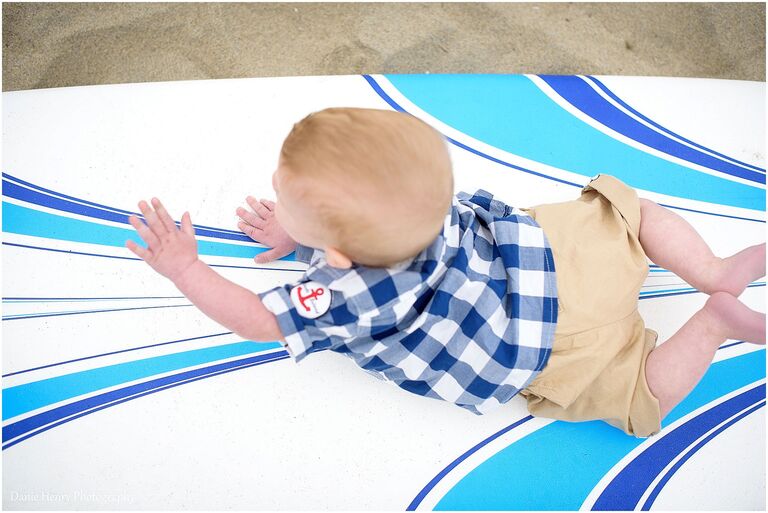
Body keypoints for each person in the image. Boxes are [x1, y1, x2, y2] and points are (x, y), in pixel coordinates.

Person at [125, 107, 765, 438]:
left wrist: (185, 267)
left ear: (336, 256)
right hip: (559, 258)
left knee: (641, 398)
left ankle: (711, 324)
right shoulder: (419, 198)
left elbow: (260, 319)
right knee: (631, 211)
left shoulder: (343, 295)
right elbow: (360, 221)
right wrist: (305, 231)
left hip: (551, 347)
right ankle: (710, 267)